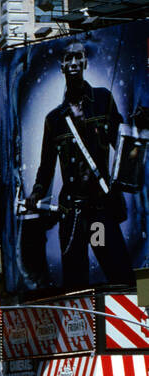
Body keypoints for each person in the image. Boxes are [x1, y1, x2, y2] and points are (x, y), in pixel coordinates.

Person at [24, 39, 135, 289]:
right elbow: (46, 166)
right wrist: (37, 192)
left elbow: (124, 145)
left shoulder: (102, 99)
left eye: (77, 57)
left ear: (84, 62)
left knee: (119, 272)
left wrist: (139, 133)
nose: (73, 62)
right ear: (61, 65)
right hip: (72, 212)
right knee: (75, 282)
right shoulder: (54, 119)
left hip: (98, 209)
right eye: (67, 58)